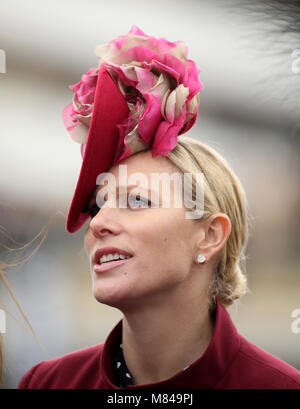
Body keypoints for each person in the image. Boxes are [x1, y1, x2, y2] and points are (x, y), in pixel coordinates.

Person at [17, 26, 300, 389]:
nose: (99, 223)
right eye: (97, 205)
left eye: (137, 200)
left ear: (210, 236)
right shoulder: (48, 383)